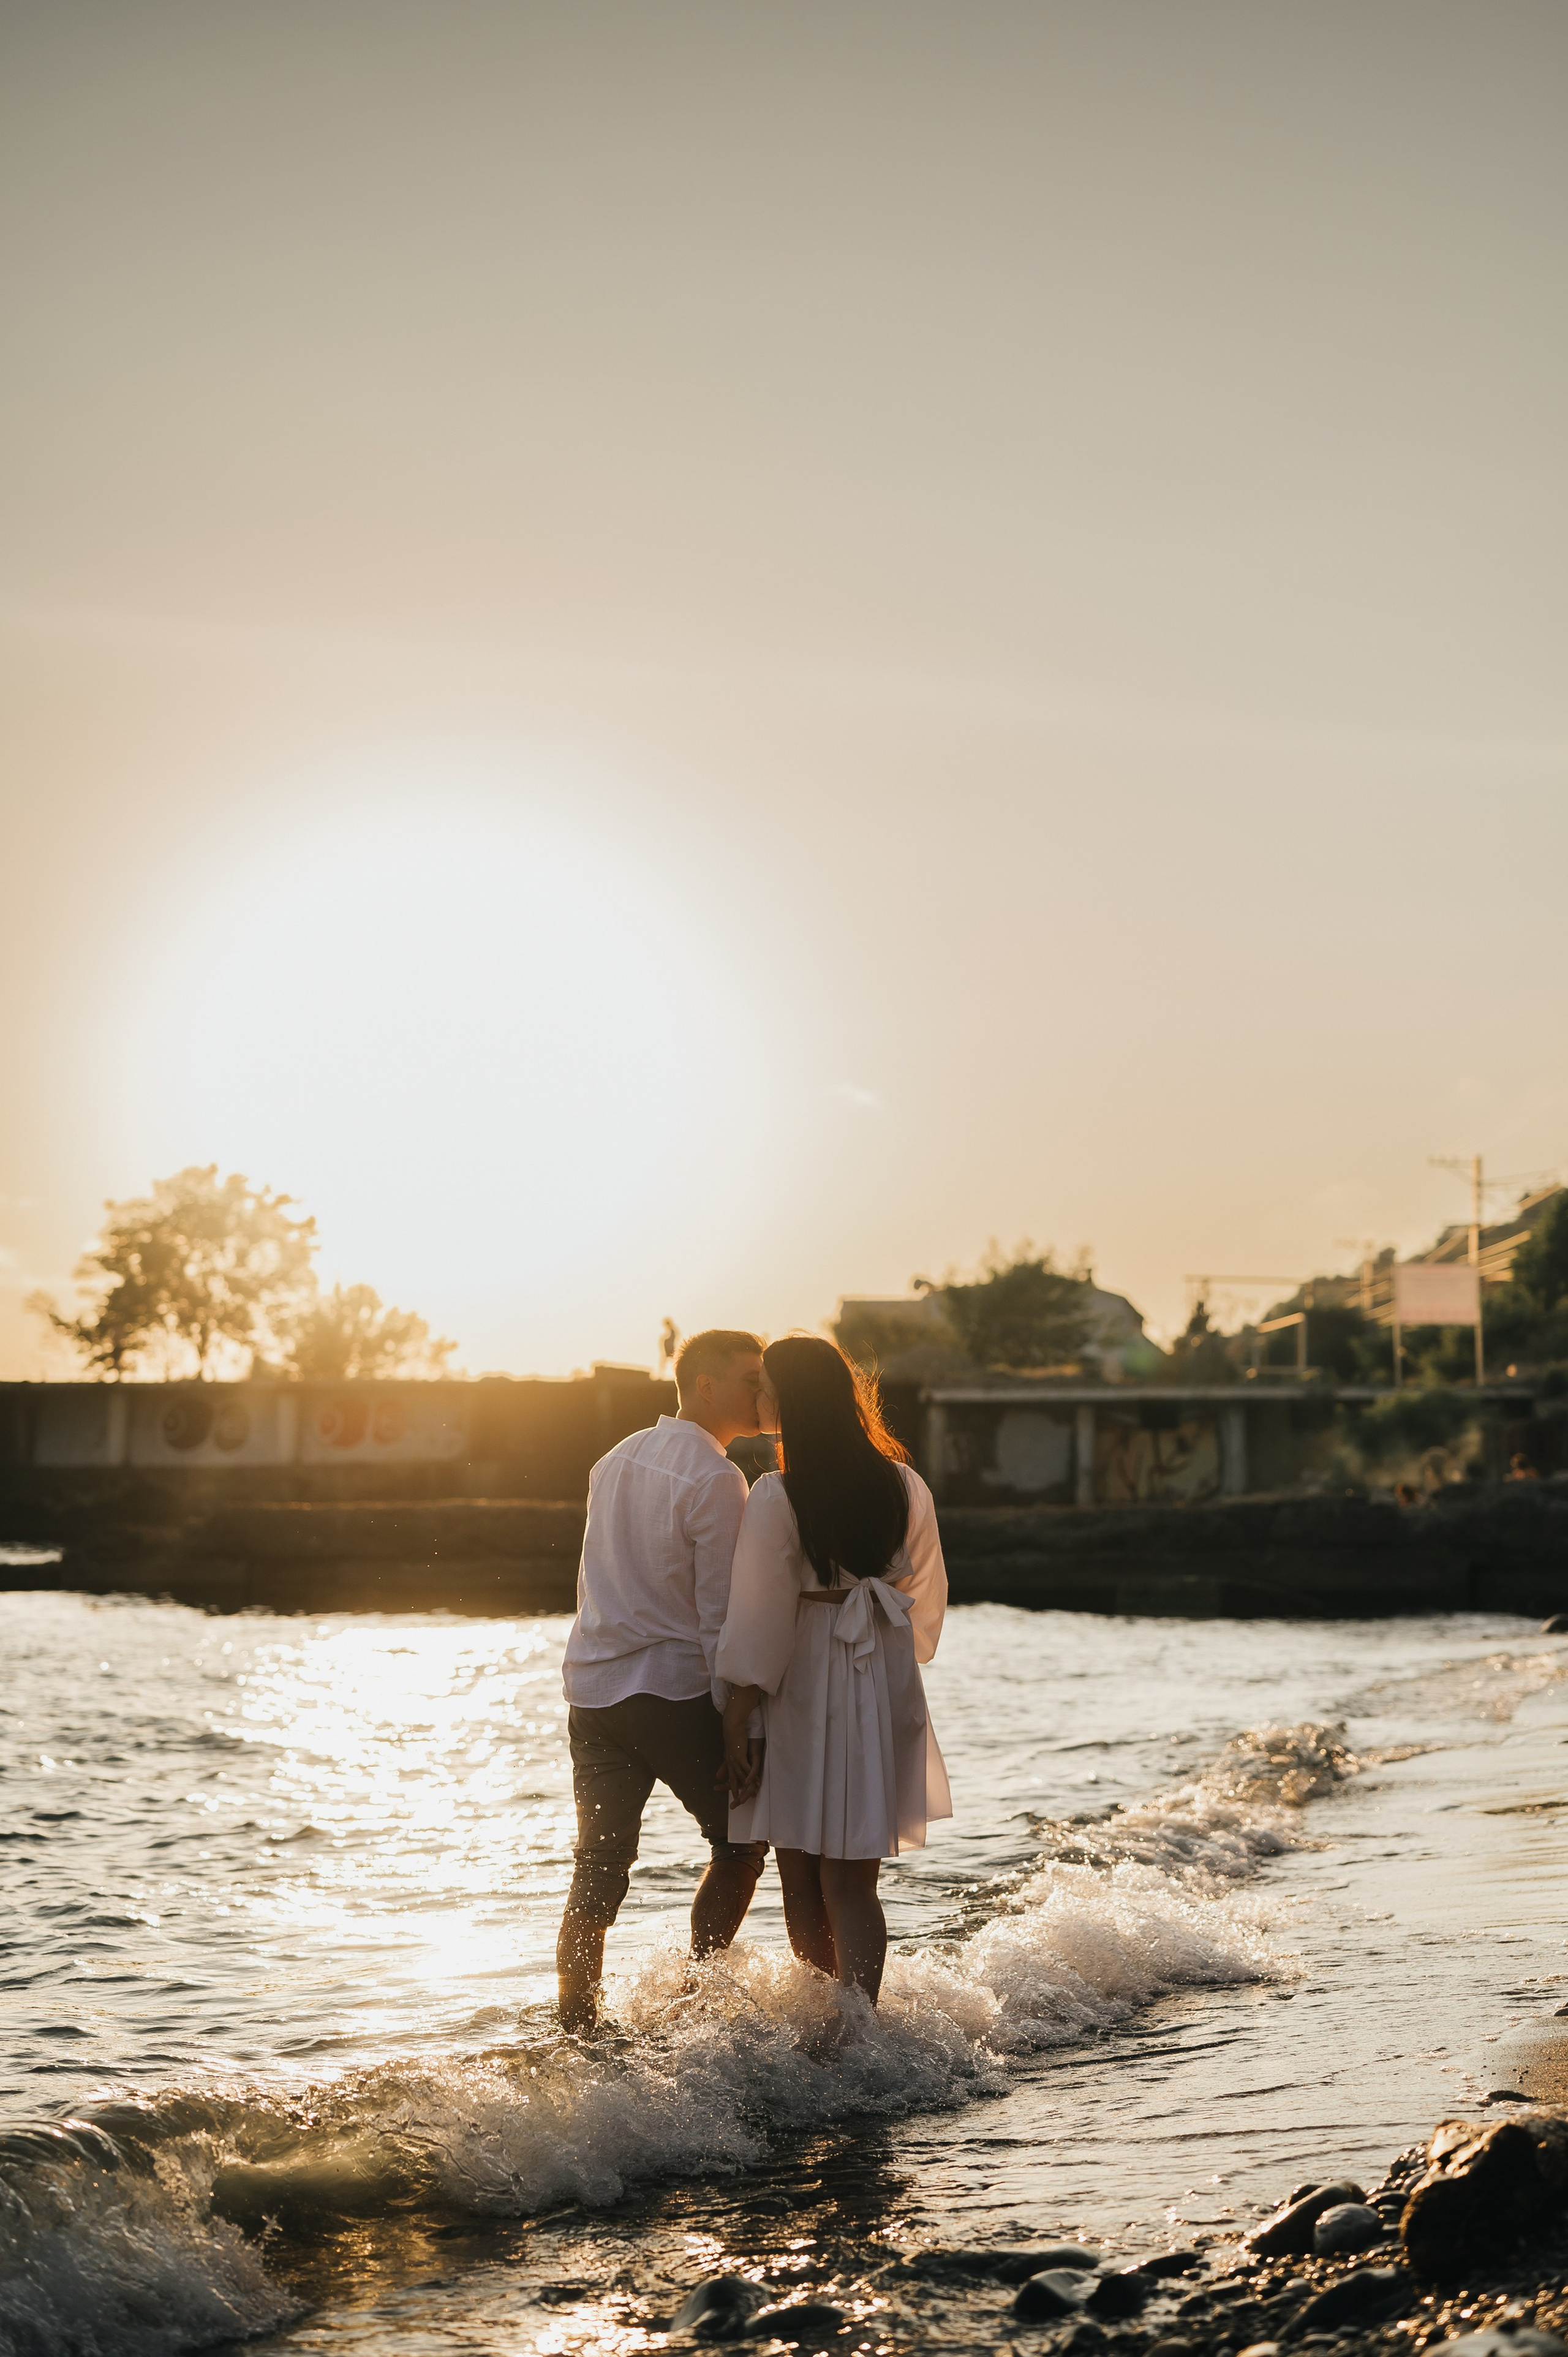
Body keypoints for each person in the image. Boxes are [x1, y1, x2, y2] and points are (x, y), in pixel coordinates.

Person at [715, 1336, 950, 2004]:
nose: (758, 1396)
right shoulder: (903, 1482)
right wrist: (894, 1650)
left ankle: (825, 2029)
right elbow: (924, 1595)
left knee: (802, 1876)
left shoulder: (775, 1494)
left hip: (807, 1674)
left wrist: (736, 1716)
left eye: (766, 1385)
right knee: (853, 1880)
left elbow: (758, 1615)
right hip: (878, 1667)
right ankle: (859, 2028)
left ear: (789, 1399)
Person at [556, 1329, 771, 2032]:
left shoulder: (610, 1458)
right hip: (670, 1690)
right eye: (748, 1378)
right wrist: (741, 1724)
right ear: (704, 1385)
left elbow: (590, 1579)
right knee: (740, 1841)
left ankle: (577, 2023)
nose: (761, 1391)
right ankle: (690, 2001)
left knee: (597, 1864)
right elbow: (719, 1618)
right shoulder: (715, 1477)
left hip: (591, 1689)